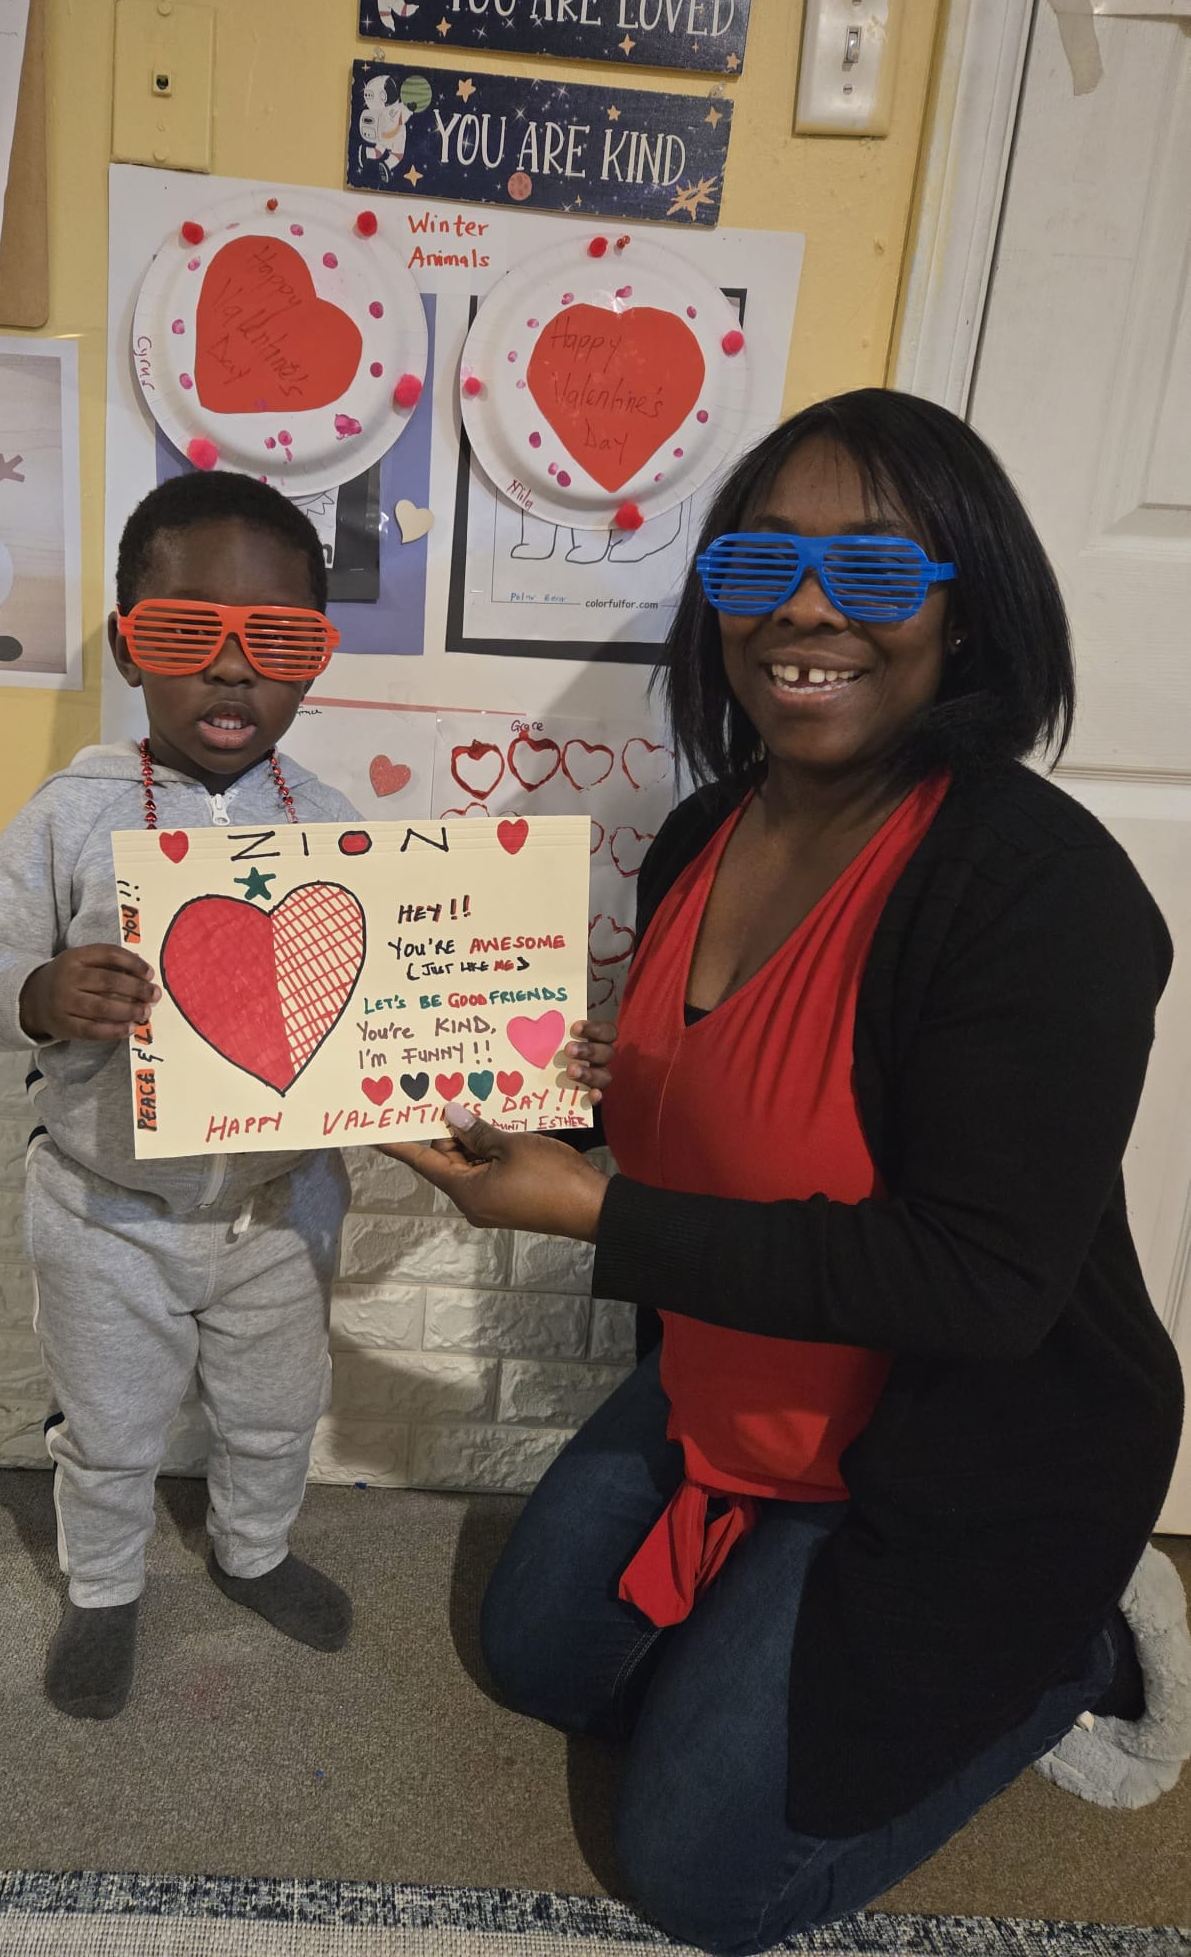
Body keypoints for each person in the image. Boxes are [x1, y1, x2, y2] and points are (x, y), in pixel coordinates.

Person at [386, 390, 1189, 1954]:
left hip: (960, 1435)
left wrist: (596, 1212)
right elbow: (701, 1091)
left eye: (879, 575)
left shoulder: (1040, 891)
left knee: (698, 1876)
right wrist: (450, 1081)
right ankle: (762, 1577)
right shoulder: (701, 829)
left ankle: (1072, 1648)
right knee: (543, 1663)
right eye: (762, 568)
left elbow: (981, 1284)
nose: (807, 612)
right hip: (736, 1377)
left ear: (971, 616)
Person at [0, 474, 365, 1719]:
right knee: (110, 1426)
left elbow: (382, 1005)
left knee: (280, 1409)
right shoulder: (70, 816)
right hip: (106, 1206)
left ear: (313, 665)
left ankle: (255, 1551)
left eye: (276, 642)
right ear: (130, 646)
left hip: (281, 1208)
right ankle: (103, 1587)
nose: (233, 672)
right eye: (185, 634)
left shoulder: (339, 825)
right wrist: (38, 988)